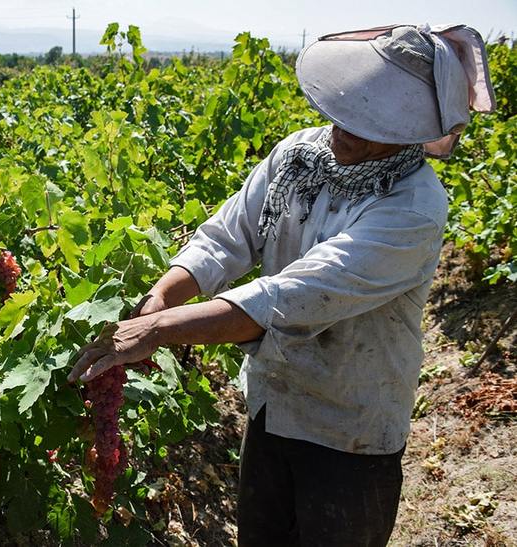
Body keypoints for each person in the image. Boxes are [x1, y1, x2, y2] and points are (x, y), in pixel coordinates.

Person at [67, 24, 495, 546]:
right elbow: (227, 238)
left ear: (409, 131)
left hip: (350, 432)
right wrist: (161, 296)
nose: (347, 127)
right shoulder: (299, 156)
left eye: (374, 121)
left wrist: (157, 331)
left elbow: (288, 299)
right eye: (350, 105)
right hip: (273, 406)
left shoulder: (412, 208)